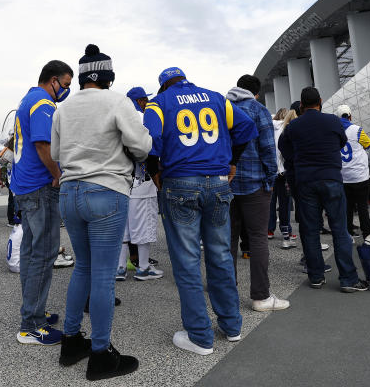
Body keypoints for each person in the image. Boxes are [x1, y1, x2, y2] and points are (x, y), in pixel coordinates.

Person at [51, 45, 150, 380]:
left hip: (70, 191)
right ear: (108, 76)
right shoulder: (118, 101)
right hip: (107, 190)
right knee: (104, 276)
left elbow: (55, 151)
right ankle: (101, 353)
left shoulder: (62, 108)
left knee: (83, 268)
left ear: (80, 78)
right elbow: (141, 145)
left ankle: (71, 340)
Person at [143, 66, 258, 355]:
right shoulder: (217, 98)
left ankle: (199, 335)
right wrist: (232, 160)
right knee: (220, 254)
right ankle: (232, 326)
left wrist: (155, 173)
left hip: (180, 182)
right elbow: (246, 128)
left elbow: (150, 143)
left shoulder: (159, 103)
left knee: (187, 260)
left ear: (163, 86)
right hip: (218, 183)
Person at [278, 87, 369, 292]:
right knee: (340, 229)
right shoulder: (333, 121)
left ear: (301, 105)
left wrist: (298, 159)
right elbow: (342, 142)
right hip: (331, 178)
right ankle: (348, 278)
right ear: (320, 101)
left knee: (309, 230)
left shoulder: (294, 126)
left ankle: (316, 276)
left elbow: (284, 148)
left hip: (305, 181)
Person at [12, 59, 74, 346]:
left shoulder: (28, 99)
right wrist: (57, 175)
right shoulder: (43, 104)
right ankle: (32, 325)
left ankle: (33, 310)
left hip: (25, 184)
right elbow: (43, 144)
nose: (66, 90)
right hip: (39, 186)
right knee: (44, 253)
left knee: (30, 252)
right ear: (53, 80)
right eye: (65, 84)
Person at [226, 75, 287, 312]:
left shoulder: (222, 107)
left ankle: (227, 291)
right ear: (257, 93)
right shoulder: (258, 109)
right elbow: (267, 148)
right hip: (254, 183)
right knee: (258, 238)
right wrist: (270, 178)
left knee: (228, 240)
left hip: (226, 183)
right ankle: (260, 297)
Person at [117, 87, 163, 281]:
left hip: (120, 181)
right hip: (141, 180)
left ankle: (119, 269)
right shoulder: (142, 117)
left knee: (122, 228)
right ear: (139, 101)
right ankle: (143, 268)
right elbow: (146, 150)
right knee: (143, 226)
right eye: (144, 99)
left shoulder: (118, 114)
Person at [335, 104, 370, 245]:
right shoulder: (357, 130)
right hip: (360, 175)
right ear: (350, 116)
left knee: (347, 206)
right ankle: (367, 235)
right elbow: (368, 144)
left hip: (343, 176)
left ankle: (348, 232)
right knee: (362, 206)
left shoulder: (335, 131)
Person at [269, 108, 296, 247]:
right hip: (284, 171)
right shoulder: (287, 129)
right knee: (285, 204)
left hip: (271, 170)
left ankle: (269, 230)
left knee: (271, 202)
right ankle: (286, 236)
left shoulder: (269, 128)